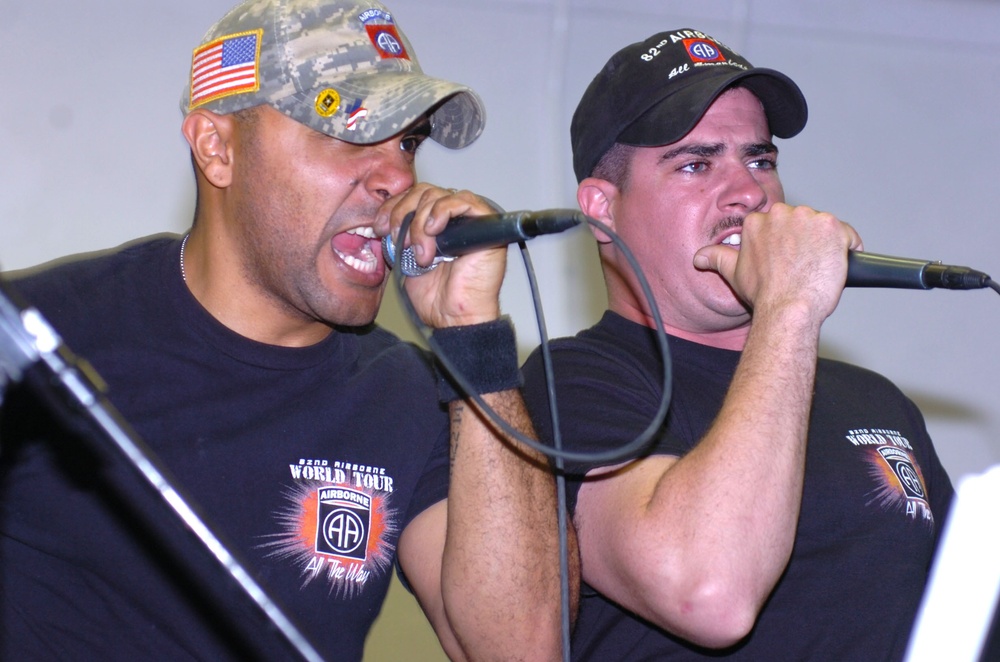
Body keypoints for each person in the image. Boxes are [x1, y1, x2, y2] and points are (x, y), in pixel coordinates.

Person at [0, 1, 574, 660]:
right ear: (218, 149)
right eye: (350, 132)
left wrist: (473, 337)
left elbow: (524, 649)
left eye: (408, 143)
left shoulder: (408, 393)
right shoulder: (35, 335)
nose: (398, 178)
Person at [521, 28, 953, 661]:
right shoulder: (570, 382)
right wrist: (790, 308)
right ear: (600, 211)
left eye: (760, 160)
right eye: (697, 163)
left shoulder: (875, 401)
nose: (749, 193)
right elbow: (710, 594)